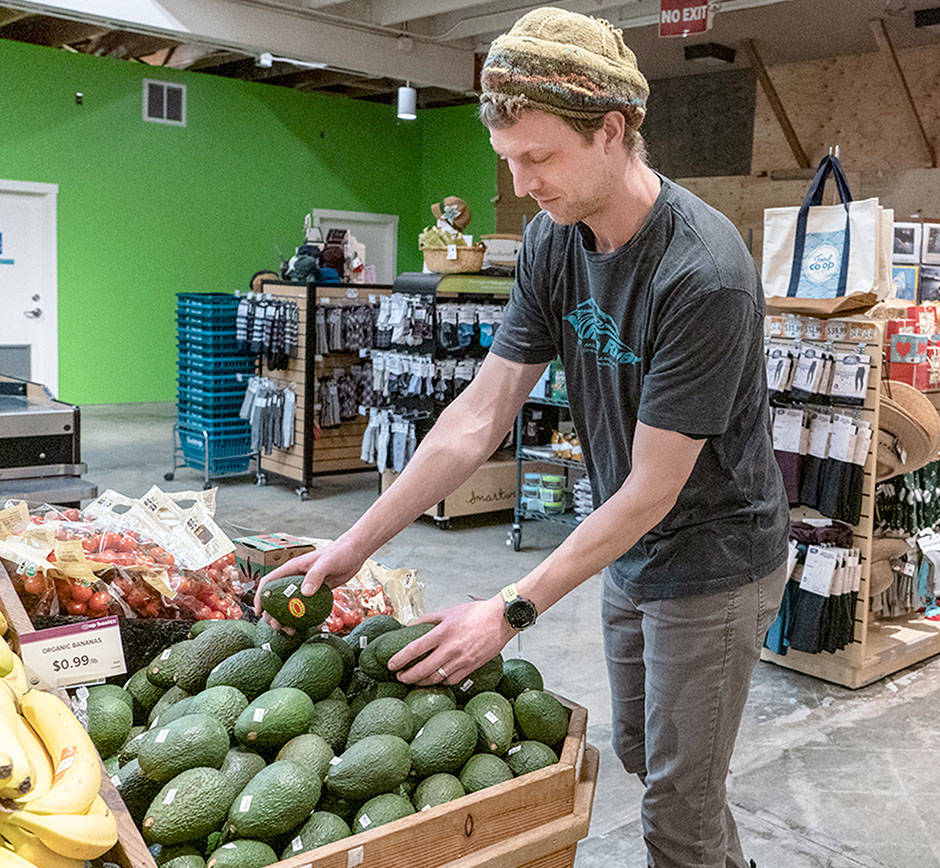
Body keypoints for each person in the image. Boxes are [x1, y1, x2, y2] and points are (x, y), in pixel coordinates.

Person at [257, 8, 788, 866]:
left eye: (539, 158)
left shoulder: (704, 274)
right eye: (510, 161)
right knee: (643, 757)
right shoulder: (553, 239)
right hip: (630, 545)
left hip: (716, 558)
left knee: (680, 810)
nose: (523, 183)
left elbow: (654, 488)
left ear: (612, 131)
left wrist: (509, 610)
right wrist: (352, 546)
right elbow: (478, 413)